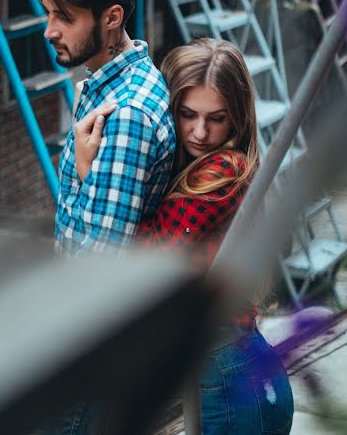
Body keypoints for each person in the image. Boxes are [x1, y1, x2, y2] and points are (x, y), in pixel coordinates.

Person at [76, 38, 294, 434]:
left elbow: (149, 252)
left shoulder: (224, 169)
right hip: (230, 373)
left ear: (238, 119)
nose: (199, 132)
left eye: (217, 118)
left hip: (237, 381)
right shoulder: (185, 170)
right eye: (187, 114)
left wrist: (92, 174)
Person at [35, 0, 176, 257]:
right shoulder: (109, 86)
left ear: (112, 18)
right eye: (48, 14)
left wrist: (87, 172)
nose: (49, 31)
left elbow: (100, 262)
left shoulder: (127, 114)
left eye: (65, 18)